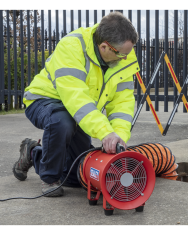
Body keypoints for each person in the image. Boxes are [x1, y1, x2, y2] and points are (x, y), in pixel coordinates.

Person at [13, 12, 140, 197]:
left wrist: (118, 136)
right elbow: (75, 97)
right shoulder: (72, 47)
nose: (126, 58)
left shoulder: (123, 54)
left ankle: (33, 153)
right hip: (44, 101)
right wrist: (105, 132)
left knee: (78, 176)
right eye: (122, 54)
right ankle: (49, 179)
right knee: (62, 121)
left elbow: (123, 102)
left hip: (77, 110)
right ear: (104, 46)